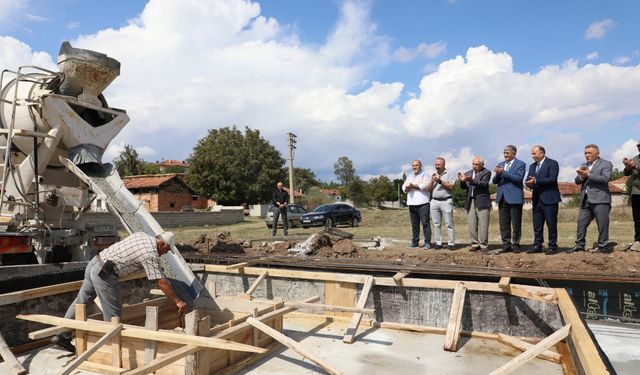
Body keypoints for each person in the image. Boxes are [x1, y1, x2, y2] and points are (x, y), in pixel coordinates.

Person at [51, 232, 187, 353]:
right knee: (113, 314)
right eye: (167, 249)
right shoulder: (150, 254)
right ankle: (109, 348)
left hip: (95, 262)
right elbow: (161, 281)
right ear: (162, 243)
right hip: (106, 273)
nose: (165, 253)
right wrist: (178, 301)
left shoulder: (142, 235)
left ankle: (62, 335)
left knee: (81, 301)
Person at [571, 144, 613, 254]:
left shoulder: (606, 164)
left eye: (589, 153)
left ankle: (602, 247)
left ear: (597, 153)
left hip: (601, 199)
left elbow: (605, 179)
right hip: (585, 199)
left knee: (602, 225)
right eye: (585, 153)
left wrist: (589, 174)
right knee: (581, 223)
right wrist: (581, 176)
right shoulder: (584, 165)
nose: (586, 155)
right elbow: (577, 181)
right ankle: (579, 245)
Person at [525, 145, 562, 255]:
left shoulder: (552, 163)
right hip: (536, 199)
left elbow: (552, 179)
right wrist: (528, 184)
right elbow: (529, 180)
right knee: (537, 225)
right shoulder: (532, 166)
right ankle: (537, 245)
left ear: (542, 153)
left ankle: (552, 246)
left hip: (549, 199)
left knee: (551, 224)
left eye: (534, 153)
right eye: (531, 154)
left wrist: (536, 181)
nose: (532, 156)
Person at [493, 145, 526, 253]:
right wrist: (498, 173)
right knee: (503, 223)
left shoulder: (521, 164)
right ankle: (506, 244)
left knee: (516, 223)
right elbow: (494, 181)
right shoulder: (501, 164)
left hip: (514, 197)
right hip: (502, 197)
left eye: (507, 153)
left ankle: (515, 244)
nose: (505, 155)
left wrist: (503, 172)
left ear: (514, 153)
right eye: (504, 153)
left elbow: (518, 178)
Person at [458, 157, 491, 252]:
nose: (474, 166)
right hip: (470, 201)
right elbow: (464, 188)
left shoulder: (486, 172)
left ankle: (484, 245)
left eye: (476, 164)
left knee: (483, 224)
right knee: (472, 224)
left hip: (482, 201)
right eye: (473, 164)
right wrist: (462, 181)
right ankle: (474, 243)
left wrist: (472, 180)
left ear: (482, 164)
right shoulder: (468, 173)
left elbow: (484, 184)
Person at [427, 157, 456, 250]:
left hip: (446, 201)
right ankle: (438, 243)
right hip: (434, 201)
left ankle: (451, 243)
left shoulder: (450, 174)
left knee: (449, 224)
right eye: (436, 165)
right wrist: (432, 181)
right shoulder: (433, 175)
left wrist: (439, 181)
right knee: (436, 224)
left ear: (444, 165)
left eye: (438, 165)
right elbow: (428, 189)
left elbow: (451, 186)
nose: (437, 166)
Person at [402, 159, 432, 248]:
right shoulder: (410, 176)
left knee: (425, 224)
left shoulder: (425, 175)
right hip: (412, 203)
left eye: (416, 165)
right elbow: (404, 186)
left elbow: (424, 186)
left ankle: (427, 242)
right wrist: (406, 188)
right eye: (413, 166)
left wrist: (413, 186)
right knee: (414, 225)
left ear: (420, 166)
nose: (414, 167)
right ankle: (415, 242)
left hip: (423, 203)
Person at [623, 142, 640, 251]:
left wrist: (634, 166)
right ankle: (638, 240)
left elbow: (636, 167)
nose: (639, 148)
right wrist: (628, 167)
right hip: (636, 192)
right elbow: (626, 173)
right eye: (638, 146)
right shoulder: (635, 158)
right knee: (637, 219)